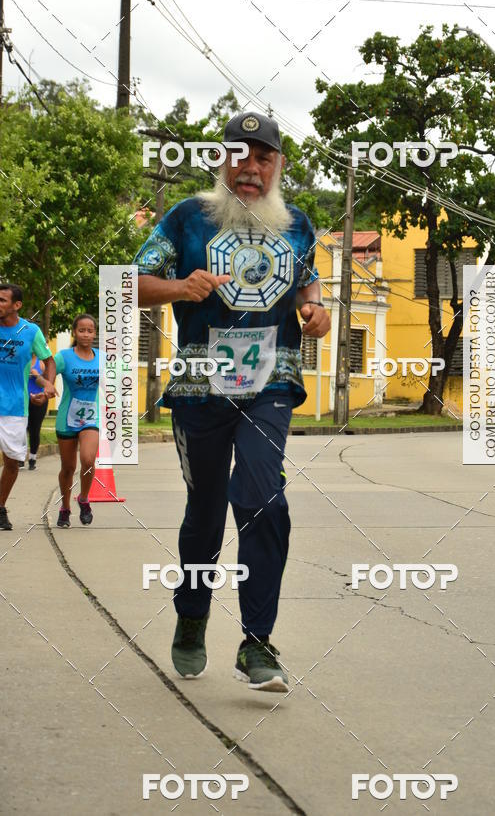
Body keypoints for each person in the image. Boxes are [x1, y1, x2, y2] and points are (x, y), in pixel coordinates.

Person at [134, 111, 330, 691]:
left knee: (263, 497)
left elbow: (308, 282)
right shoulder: (186, 218)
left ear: (278, 166)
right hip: (201, 385)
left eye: (262, 158)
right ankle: (192, 614)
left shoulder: (298, 224)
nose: (250, 169)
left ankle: (257, 642)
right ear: (220, 160)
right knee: (206, 508)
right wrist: (178, 286)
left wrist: (315, 311)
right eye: (239, 156)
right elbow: (128, 283)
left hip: (270, 382)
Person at [0, 284, 56, 531]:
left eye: (2, 300)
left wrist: (47, 388)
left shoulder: (31, 331)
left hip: (14, 406)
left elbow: (49, 361)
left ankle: (0, 508)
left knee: (12, 462)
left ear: (16, 305)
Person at [49, 314, 100, 528]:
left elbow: (116, 381)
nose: (86, 334)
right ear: (74, 332)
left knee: (88, 460)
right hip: (66, 418)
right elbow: (48, 369)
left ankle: (84, 498)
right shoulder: (63, 357)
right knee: (68, 468)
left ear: (95, 334)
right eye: (82, 330)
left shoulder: (103, 357)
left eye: (90, 330)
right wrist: (48, 385)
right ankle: (65, 507)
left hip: (91, 418)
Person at [25, 355, 48, 469]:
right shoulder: (22, 359)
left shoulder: (41, 363)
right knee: (22, 429)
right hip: (23, 400)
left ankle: (32, 460)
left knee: (35, 429)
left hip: (39, 400)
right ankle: (19, 459)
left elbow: (44, 383)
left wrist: (36, 375)